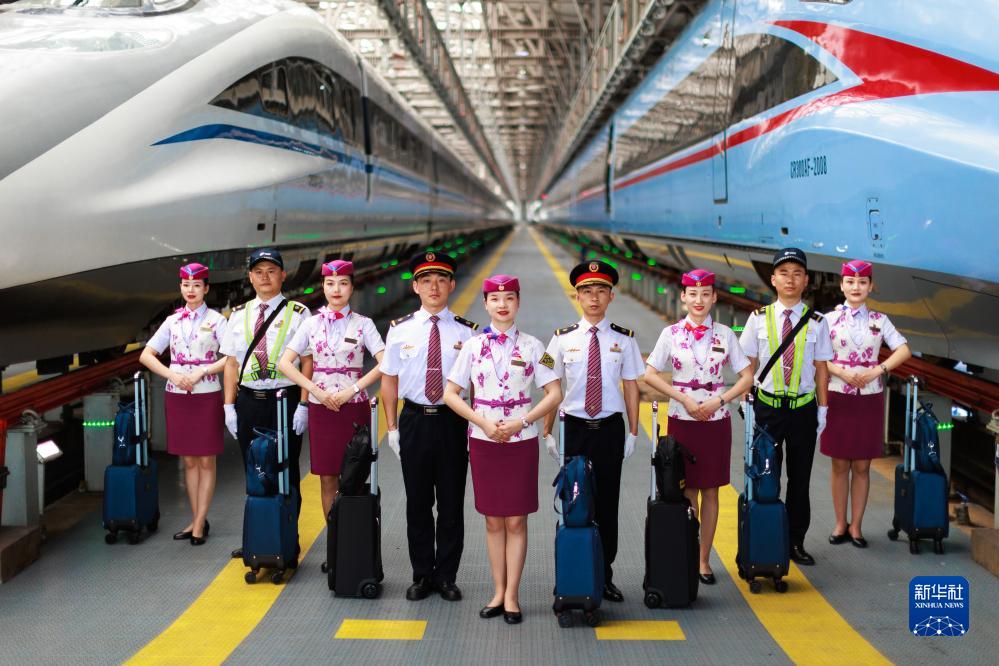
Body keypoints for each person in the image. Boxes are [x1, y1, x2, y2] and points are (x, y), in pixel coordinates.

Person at [443, 274, 562, 624]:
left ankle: (512, 596)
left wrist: (523, 422)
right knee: (493, 520)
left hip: (520, 441)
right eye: (495, 299)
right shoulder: (471, 346)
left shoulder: (536, 347)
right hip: (484, 440)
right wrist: (480, 422)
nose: (502, 304)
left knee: (516, 520)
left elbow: (554, 393)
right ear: (485, 304)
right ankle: (497, 591)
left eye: (509, 298)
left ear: (518, 302)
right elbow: (450, 394)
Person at [643, 269, 754, 584]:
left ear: (714, 297)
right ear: (683, 297)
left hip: (716, 421)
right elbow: (649, 374)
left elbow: (747, 376)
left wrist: (721, 400)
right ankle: (689, 554)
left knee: (711, 490)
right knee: (687, 489)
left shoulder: (726, 334)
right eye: (693, 294)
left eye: (705, 294)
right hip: (682, 417)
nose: (699, 300)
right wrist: (684, 399)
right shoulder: (671, 333)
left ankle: (704, 560)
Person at [541, 260, 642, 602]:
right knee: (574, 501)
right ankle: (572, 573)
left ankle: (604, 575)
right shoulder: (560, 339)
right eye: (587, 291)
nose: (594, 297)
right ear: (577, 296)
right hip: (575, 430)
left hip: (609, 429)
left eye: (601, 291)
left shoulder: (625, 340)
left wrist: (633, 431)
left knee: (608, 504)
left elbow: (631, 386)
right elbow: (551, 384)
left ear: (611, 296)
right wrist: (547, 430)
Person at [379, 251, 479, 602]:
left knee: (451, 504)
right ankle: (422, 574)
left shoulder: (468, 332)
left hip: (454, 422)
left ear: (451, 285)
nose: (433, 287)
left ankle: (447, 576)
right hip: (414, 421)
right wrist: (392, 427)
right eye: (426, 281)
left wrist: (475, 426)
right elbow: (389, 381)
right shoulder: (399, 329)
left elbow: (476, 385)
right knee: (418, 503)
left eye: (440, 280)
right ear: (416, 286)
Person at [739, 248, 833, 566]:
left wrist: (823, 409)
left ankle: (795, 542)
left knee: (800, 480)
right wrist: (745, 400)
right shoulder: (757, 319)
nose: (790, 279)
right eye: (784, 273)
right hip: (767, 409)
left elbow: (822, 369)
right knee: (766, 476)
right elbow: (748, 365)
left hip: (803, 410)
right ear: (773, 280)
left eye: (797, 274)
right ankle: (766, 539)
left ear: (806, 281)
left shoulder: (818, 322)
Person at [220, 248, 311, 560]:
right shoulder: (238, 314)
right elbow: (231, 364)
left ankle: (287, 538)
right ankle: (257, 538)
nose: (265, 277)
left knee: (287, 469)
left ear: (283, 275)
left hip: (284, 400)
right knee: (253, 468)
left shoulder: (299, 313)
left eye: (271, 271)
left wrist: (304, 404)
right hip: (249, 401)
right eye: (258, 272)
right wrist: (228, 407)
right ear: (250, 277)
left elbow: (307, 361)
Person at [277, 260, 385, 521]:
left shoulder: (364, 324)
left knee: (354, 476)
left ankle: (352, 539)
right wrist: (315, 391)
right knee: (327, 478)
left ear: (352, 288)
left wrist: (353, 389)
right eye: (330, 283)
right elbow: (284, 363)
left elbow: (386, 362)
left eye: (343, 283)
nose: (336, 289)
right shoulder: (310, 324)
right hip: (321, 407)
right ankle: (334, 540)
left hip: (354, 407)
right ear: (323, 287)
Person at [822, 260, 911, 548]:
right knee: (839, 464)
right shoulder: (828, 320)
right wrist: (842, 372)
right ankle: (840, 523)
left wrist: (877, 370)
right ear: (842, 285)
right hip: (837, 394)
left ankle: (856, 526)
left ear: (871, 286)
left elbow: (904, 350)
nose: (856, 287)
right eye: (850, 282)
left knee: (862, 465)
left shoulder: (880, 320)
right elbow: (817, 357)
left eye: (862, 282)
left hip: (869, 397)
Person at [140, 263, 228, 545]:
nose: (191, 290)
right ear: (180, 287)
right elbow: (146, 355)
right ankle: (196, 518)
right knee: (189, 461)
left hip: (207, 393)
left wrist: (202, 371)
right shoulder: (172, 321)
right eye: (186, 285)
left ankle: (199, 523)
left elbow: (232, 357)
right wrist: (172, 375)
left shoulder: (217, 320)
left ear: (206, 289)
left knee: (207, 459)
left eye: (197, 286)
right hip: (177, 394)